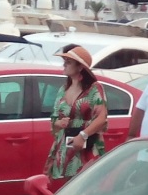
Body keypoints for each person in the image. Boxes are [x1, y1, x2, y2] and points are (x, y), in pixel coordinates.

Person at [46, 45, 108, 182]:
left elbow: (102, 118)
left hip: (86, 146)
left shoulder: (94, 88)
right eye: (64, 62)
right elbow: (54, 118)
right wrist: (59, 123)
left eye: (68, 62)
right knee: (67, 187)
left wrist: (83, 135)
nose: (64, 65)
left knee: (85, 187)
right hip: (65, 145)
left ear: (80, 67)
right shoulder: (63, 89)